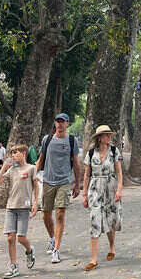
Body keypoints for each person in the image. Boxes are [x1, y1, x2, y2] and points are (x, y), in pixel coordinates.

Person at [35, 113, 82, 264]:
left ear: (68, 124)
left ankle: (56, 249)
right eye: (58, 121)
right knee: (45, 214)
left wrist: (77, 184)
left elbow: (76, 163)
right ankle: (51, 237)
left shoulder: (72, 140)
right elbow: (40, 159)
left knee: (60, 214)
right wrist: (32, 175)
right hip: (48, 181)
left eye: (63, 122)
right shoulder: (47, 139)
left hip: (64, 181)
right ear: (55, 123)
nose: (60, 124)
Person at [82, 125, 123, 271]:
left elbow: (119, 172)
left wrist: (119, 190)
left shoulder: (114, 151)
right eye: (106, 135)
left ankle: (111, 246)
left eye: (109, 135)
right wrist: (84, 194)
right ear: (99, 137)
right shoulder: (91, 153)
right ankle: (94, 259)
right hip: (95, 189)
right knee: (95, 221)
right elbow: (86, 175)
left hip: (111, 187)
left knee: (111, 219)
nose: (109, 137)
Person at [0, 144, 38, 278]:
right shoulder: (12, 170)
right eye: (12, 153)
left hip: (24, 207)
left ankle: (29, 251)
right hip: (11, 207)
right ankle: (13, 265)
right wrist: (4, 167)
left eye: (16, 153)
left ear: (24, 153)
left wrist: (36, 203)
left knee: (21, 238)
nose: (13, 155)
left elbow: (36, 186)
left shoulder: (31, 168)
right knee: (10, 238)